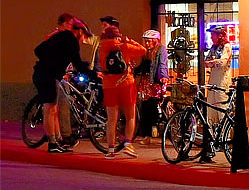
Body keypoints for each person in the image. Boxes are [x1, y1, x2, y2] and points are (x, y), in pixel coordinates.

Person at [32, 14, 91, 153]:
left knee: (53, 109)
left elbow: (39, 50)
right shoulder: (66, 37)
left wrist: (52, 62)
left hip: (47, 74)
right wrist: (53, 64)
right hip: (47, 75)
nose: (83, 41)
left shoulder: (62, 37)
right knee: (50, 109)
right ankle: (52, 143)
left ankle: (57, 141)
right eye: (70, 24)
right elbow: (77, 62)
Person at [97, 23, 148, 157]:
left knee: (111, 119)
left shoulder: (102, 48)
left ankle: (111, 149)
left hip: (109, 85)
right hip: (126, 83)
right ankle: (127, 143)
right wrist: (128, 40)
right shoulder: (124, 47)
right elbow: (143, 50)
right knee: (130, 115)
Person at [134, 30, 168, 145]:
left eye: (149, 41)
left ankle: (154, 130)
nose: (147, 44)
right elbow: (143, 66)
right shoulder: (146, 52)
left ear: (155, 41)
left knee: (153, 106)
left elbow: (163, 64)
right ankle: (146, 135)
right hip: (145, 82)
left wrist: (163, 76)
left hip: (155, 82)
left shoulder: (160, 49)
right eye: (146, 41)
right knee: (144, 107)